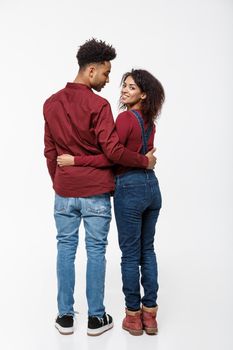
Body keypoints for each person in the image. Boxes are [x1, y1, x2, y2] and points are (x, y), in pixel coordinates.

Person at [43, 39, 157, 336]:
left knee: (65, 250)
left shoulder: (51, 103)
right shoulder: (99, 105)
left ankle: (65, 318)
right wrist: (144, 162)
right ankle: (96, 318)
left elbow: (50, 153)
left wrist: (60, 181)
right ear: (91, 70)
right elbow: (113, 153)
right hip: (96, 193)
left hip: (64, 192)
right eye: (106, 74)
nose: (109, 81)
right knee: (96, 252)